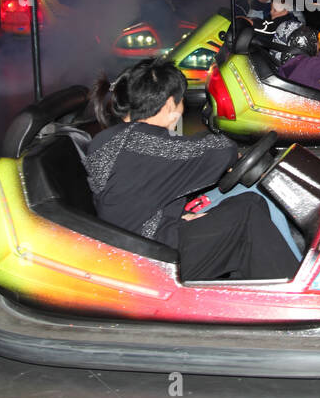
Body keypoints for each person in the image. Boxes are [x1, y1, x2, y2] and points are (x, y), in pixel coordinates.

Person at [84, 60, 300, 282]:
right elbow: (221, 150)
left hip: (130, 241)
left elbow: (139, 192)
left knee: (250, 197)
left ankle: (285, 270)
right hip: (151, 258)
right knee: (249, 212)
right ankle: (298, 293)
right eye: (180, 102)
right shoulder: (148, 145)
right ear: (169, 105)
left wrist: (177, 214)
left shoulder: (106, 139)